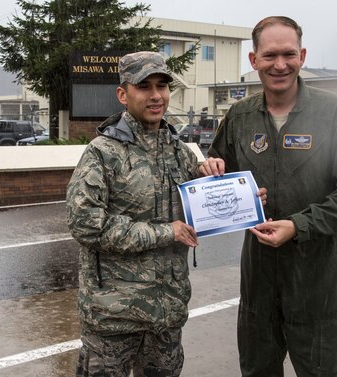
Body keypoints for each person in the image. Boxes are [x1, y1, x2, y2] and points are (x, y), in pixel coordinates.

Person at [206, 16, 337, 377]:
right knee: (258, 369)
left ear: (301, 56)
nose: (279, 65)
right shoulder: (239, 117)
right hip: (259, 276)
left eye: (288, 54)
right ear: (254, 61)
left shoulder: (334, 112)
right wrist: (212, 173)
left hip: (317, 277)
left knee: (326, 370)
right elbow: (220, 172)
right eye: (269, 56)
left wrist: (300, 225)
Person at [66, 51, 226, 377]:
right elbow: (86, 224)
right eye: (144, 87)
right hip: (114, 318)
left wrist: (229, 189)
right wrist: (166, 232)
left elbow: (201, 211)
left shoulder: (179, 153)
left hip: (165, 317)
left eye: (162, 86)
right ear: (123, 95)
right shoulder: (102, 153)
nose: (156, 96)